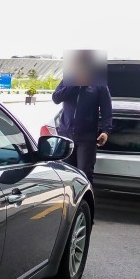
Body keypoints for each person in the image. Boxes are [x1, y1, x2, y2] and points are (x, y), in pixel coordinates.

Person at [52, 50, 112, 182]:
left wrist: (106, 131)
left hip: (86, 138)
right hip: (66, 136)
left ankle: (84, 202)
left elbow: (107, 110)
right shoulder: (68, 80)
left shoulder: (100, 85)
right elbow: (56, 98)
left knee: (84, 175)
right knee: (66, 174)